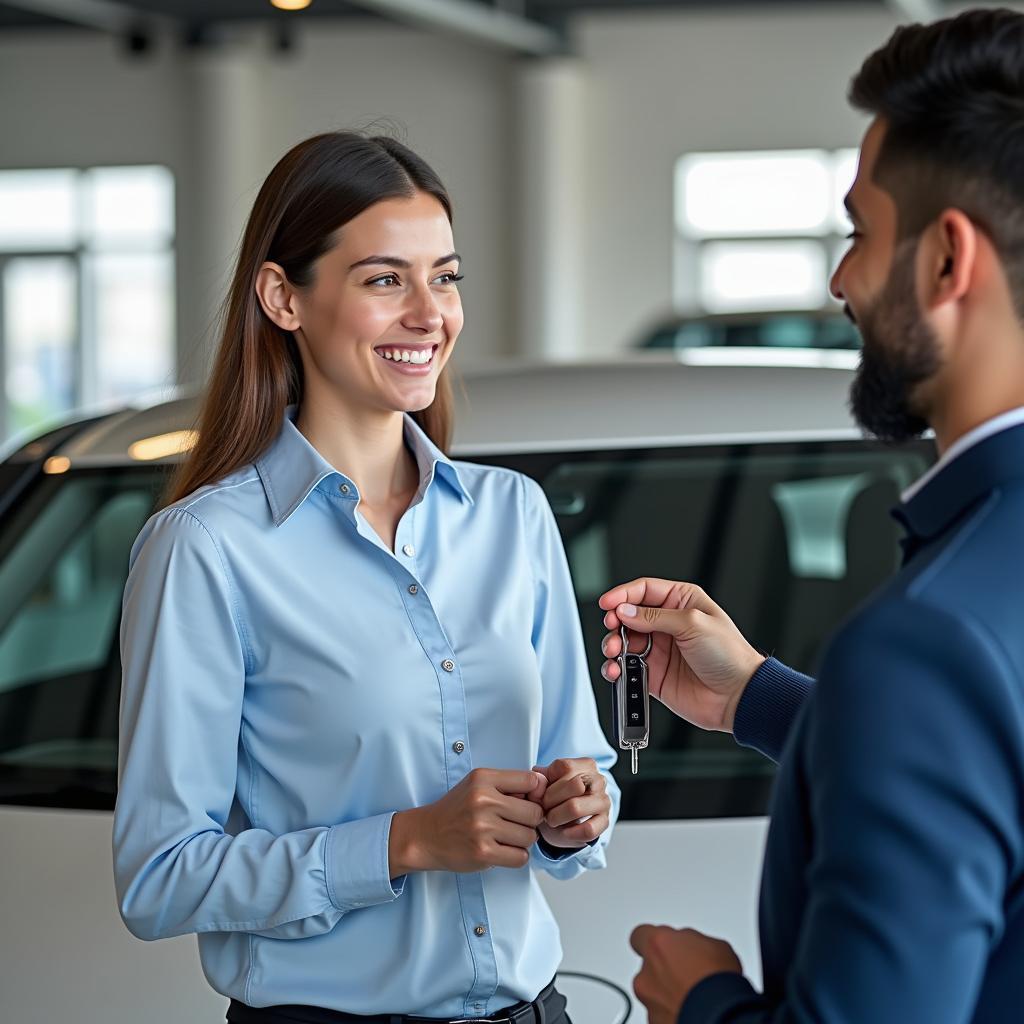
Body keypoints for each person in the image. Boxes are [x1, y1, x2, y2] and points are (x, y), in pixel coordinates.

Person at [113, 132, 618, 1024]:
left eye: (446, 276)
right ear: (283, 298)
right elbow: (159, 877)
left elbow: (581, 774)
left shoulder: (514, 516)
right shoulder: (205, 549)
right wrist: (406, 841)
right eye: (386, 280)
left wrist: (579, 811)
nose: (431, 314)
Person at [599, 9, 1024, 1023]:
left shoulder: (925, 642)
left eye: (859, 233)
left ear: (945, 261)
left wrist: (701, 1000)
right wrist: (758, 696)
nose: (839, 282)